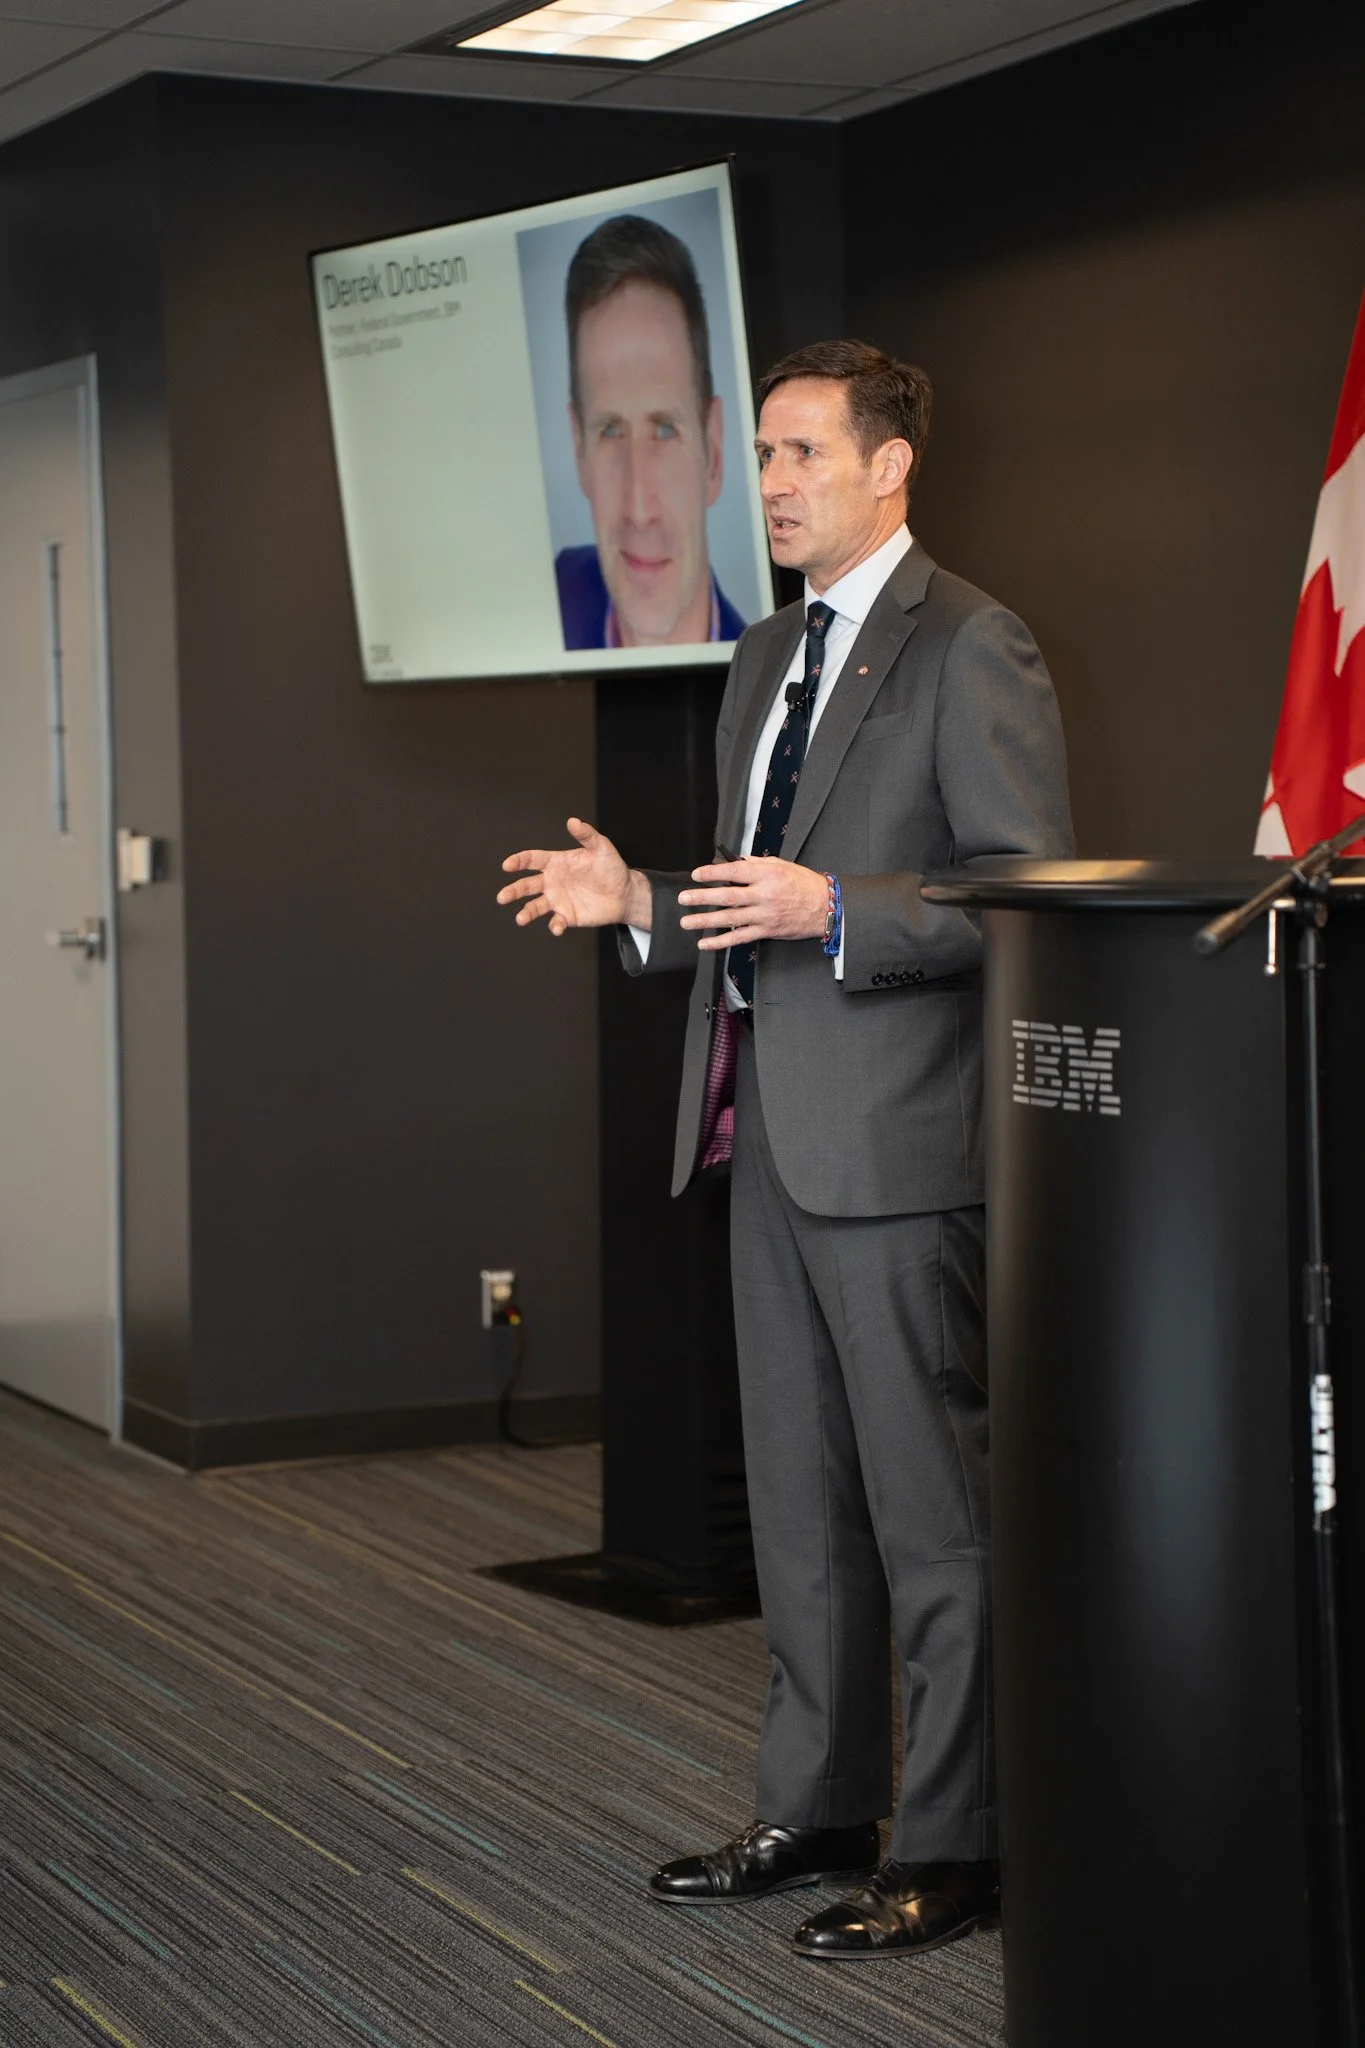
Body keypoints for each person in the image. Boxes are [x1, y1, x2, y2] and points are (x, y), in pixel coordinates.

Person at [499, 340, 1073, 1959]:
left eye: (802, 452)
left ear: (891, 468)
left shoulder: (975, 644)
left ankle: (959, 1843)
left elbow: (1022, 889)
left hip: (899, 1162)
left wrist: (846, 913)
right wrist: (639, 904)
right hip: (762, 1142)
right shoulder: (764, 655)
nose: (770, 483)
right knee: (806, 1516)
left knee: (928, 1516)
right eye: (762, 453)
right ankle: (819, 1804)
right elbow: (755, 890)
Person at [554, 214, 747, 652]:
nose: (638, 509)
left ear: (713, 454)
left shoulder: (773, 688)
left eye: (664, 430)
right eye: (609, 430)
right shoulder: (552, 594)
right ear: (578, 451)